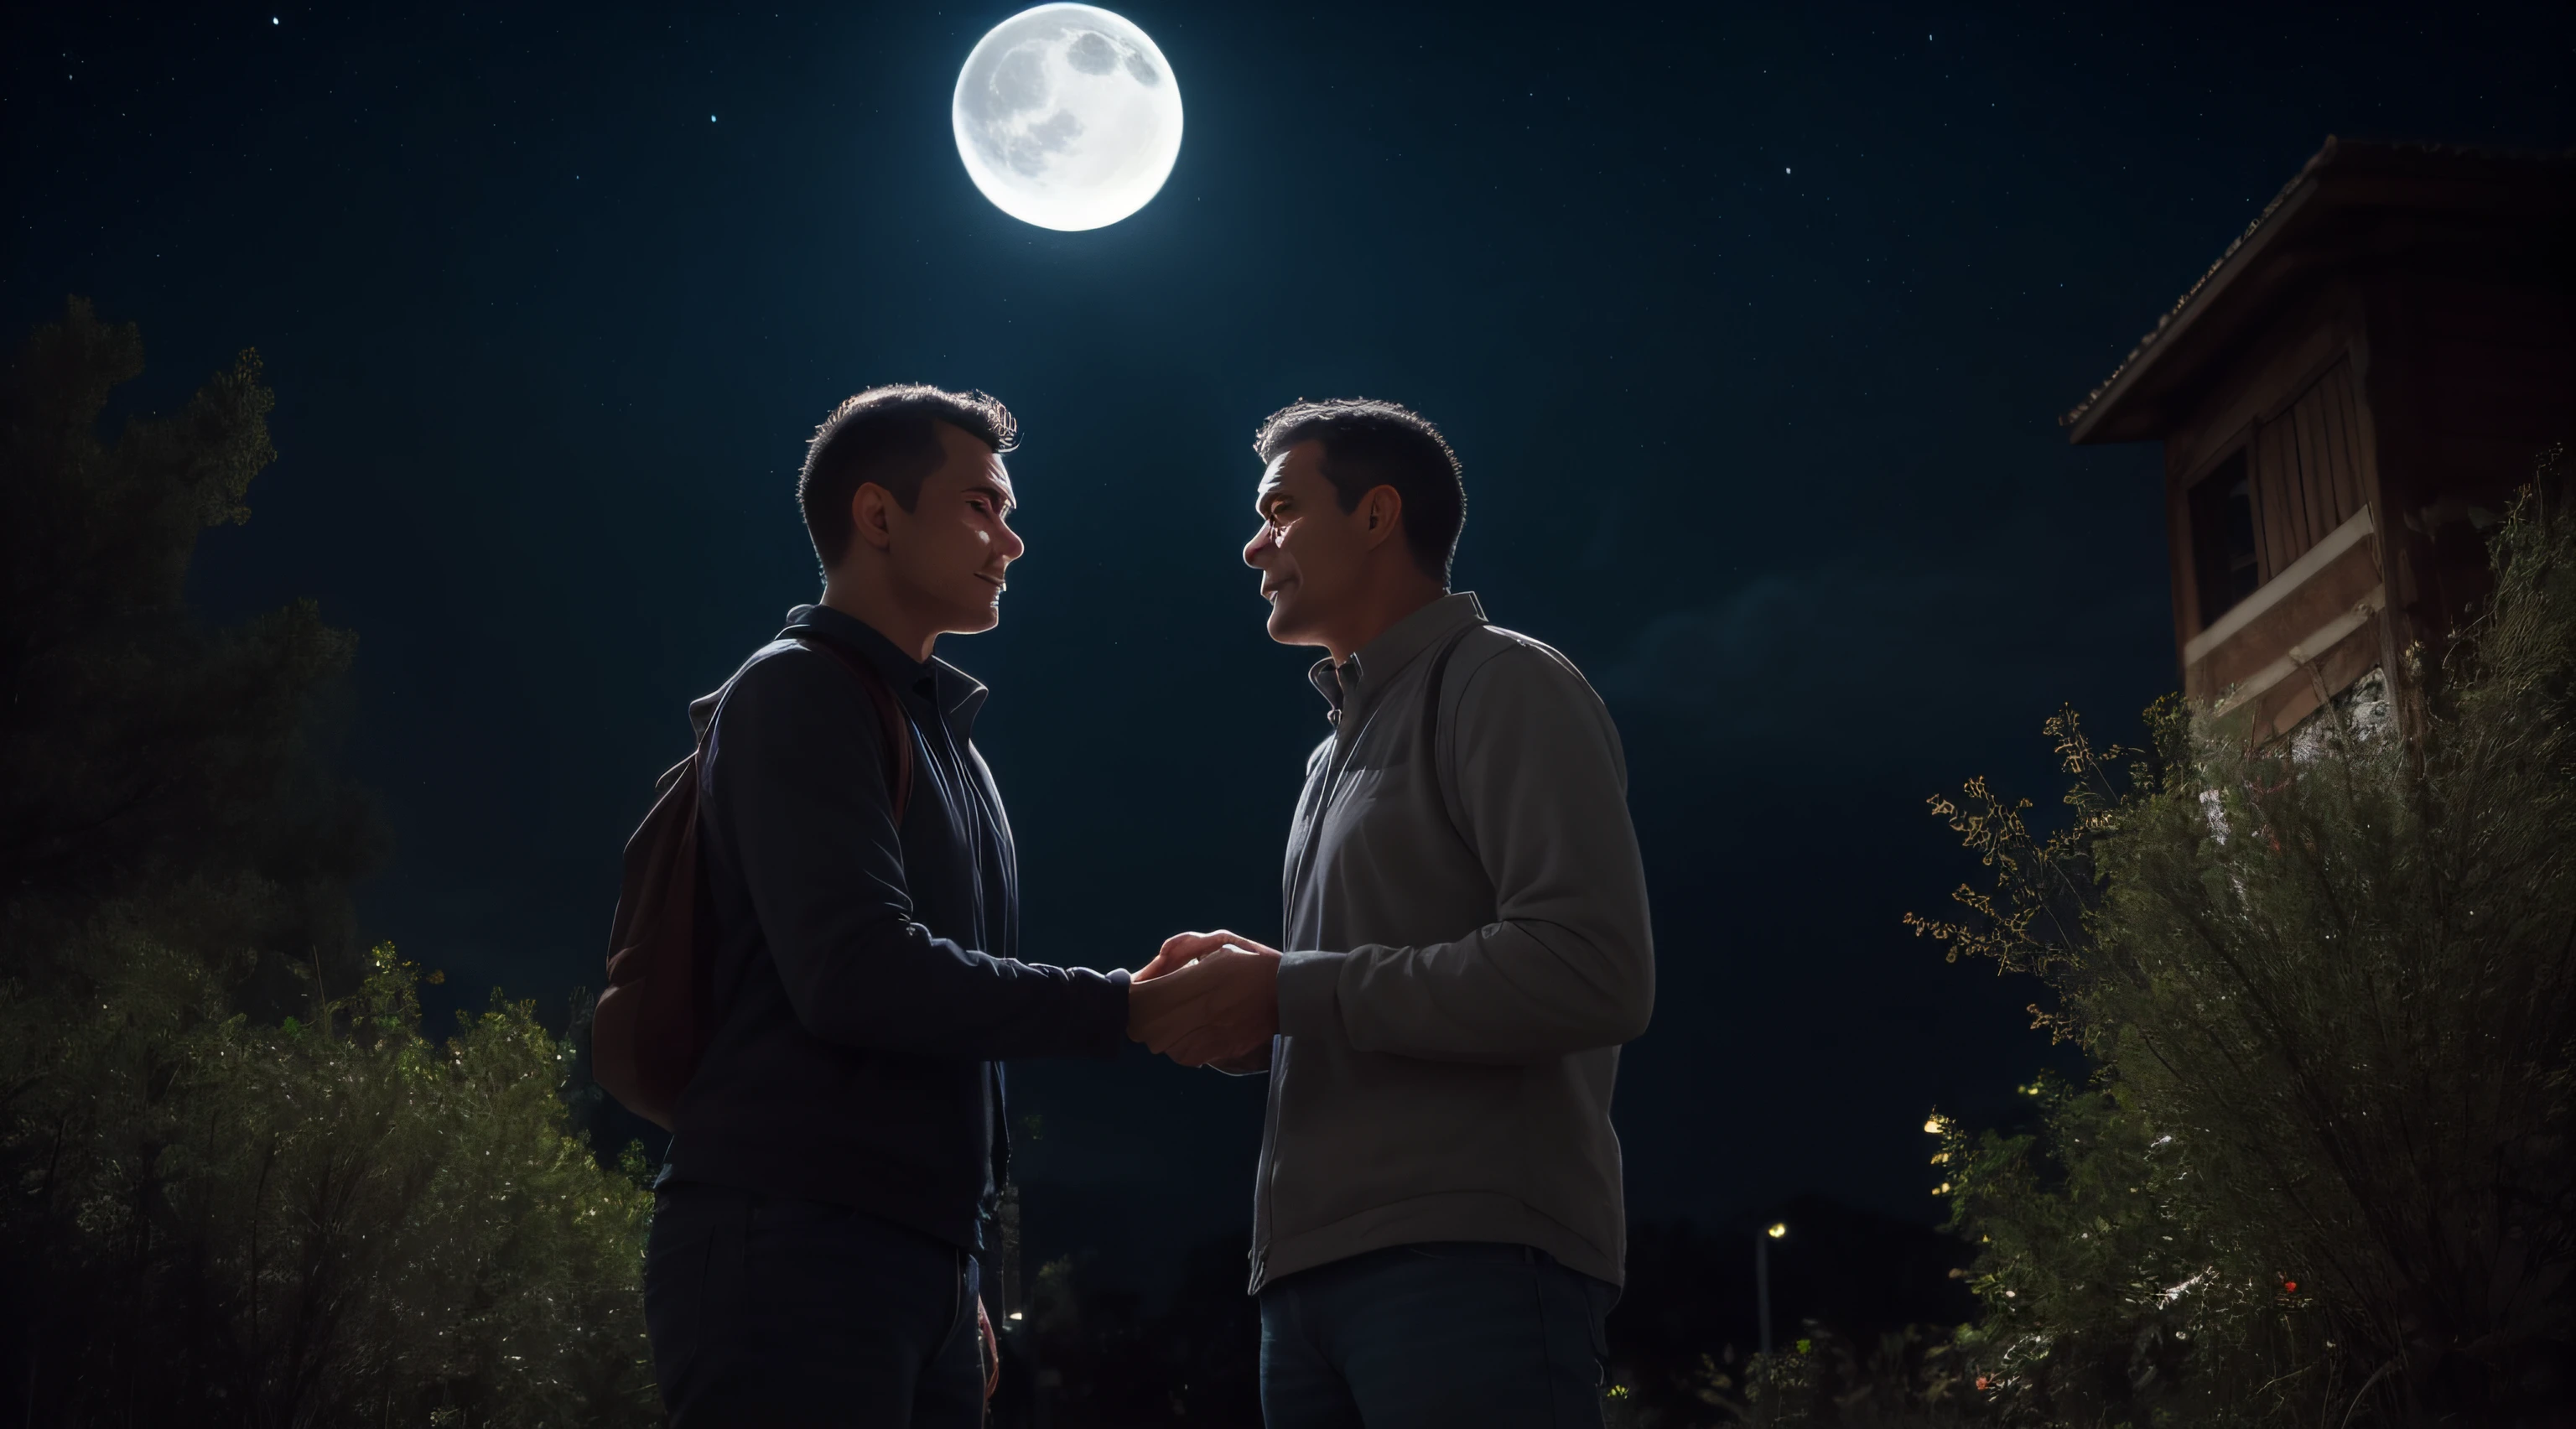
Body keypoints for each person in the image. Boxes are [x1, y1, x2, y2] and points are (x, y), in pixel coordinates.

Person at [643, 385, 1176, 1426]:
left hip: (918, 1262)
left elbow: (953, 1028)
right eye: (982, 506)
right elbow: (857, 974)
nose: (1011, 541)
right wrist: (1127, 1007)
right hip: (789, 1242)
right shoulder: (796, 690)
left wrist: (955, 1265)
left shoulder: (950, 743)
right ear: (878, 515)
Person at [1130, 398, 1656, 1428]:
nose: (1254, 546)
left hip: (1473, 1267)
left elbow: (1590, 968)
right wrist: (1253, 1006)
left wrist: (1290, 987)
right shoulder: (1330, 756)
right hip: (1304, 1284)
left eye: (1280, 509)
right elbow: (1357, 993)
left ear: (1378, 515)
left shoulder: (1507, 683)